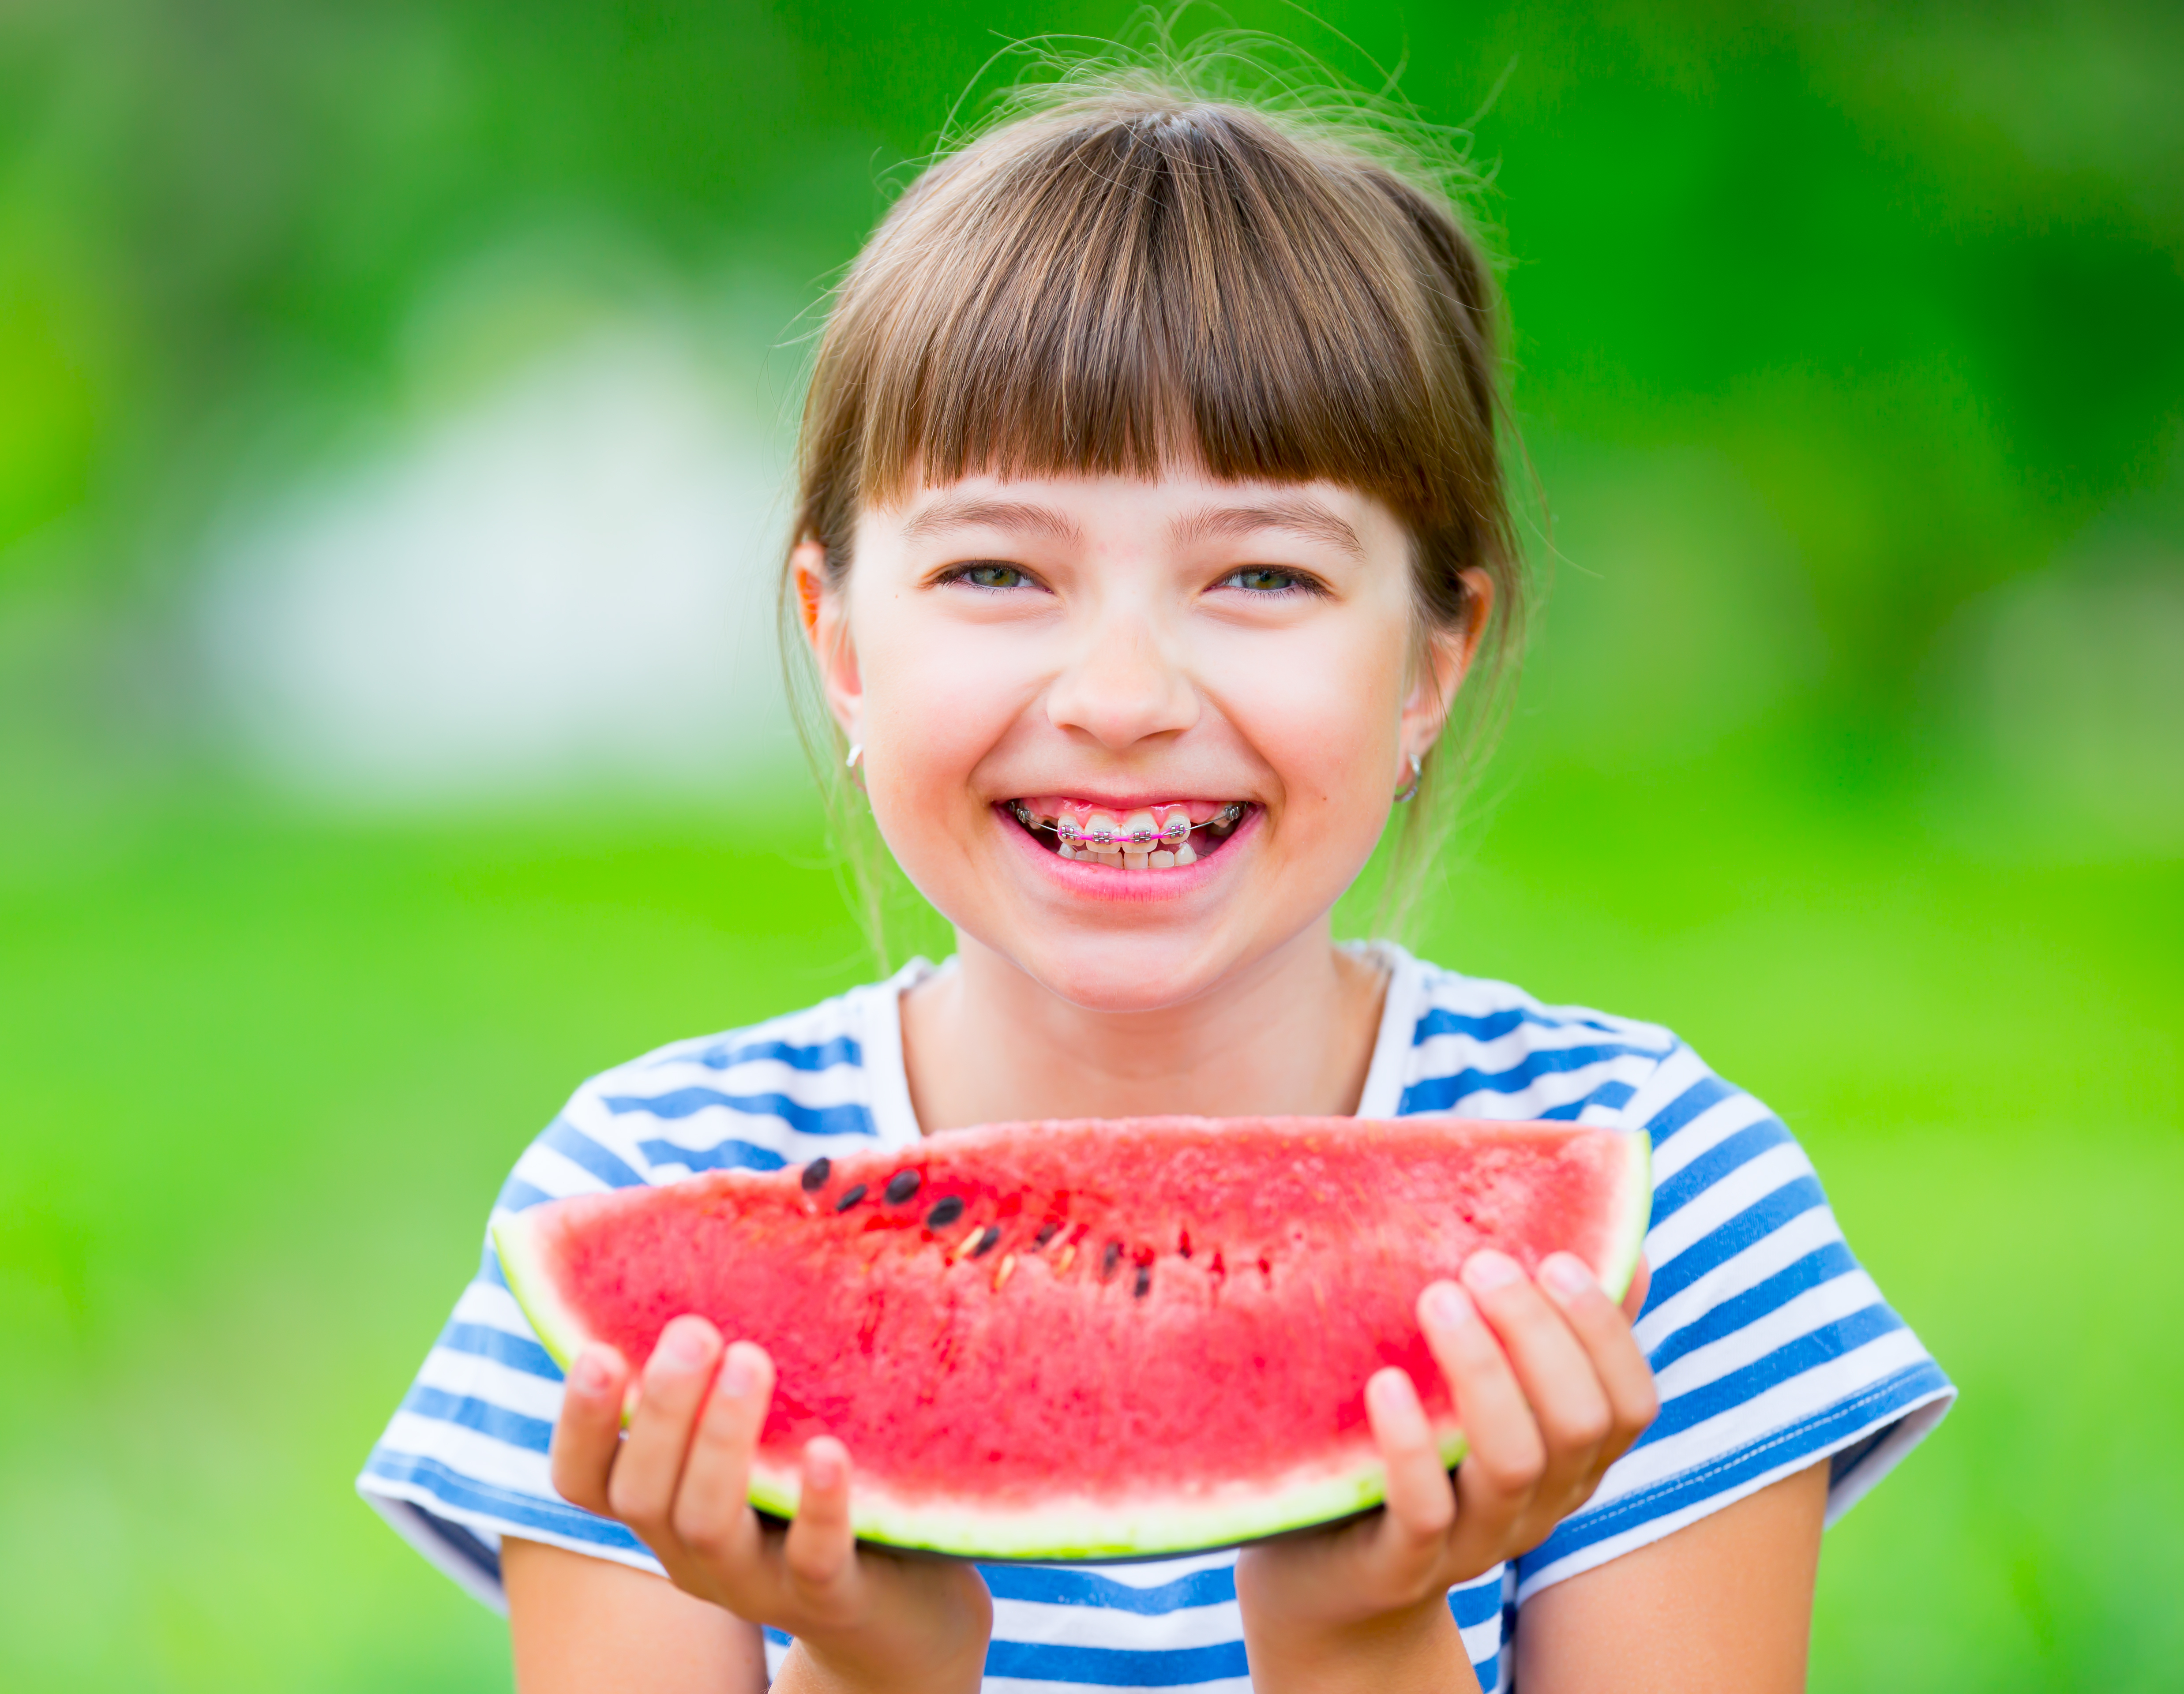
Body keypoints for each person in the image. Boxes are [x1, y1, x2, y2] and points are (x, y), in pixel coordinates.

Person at [357, 64, 1953, 1694]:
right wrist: (874, 1666)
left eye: (1262, 573)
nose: (1123, 698)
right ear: (841, 643)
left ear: (1430, 660)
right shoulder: (636, 1200)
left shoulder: (1665, 1204)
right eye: (997, 571)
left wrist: (1360, 1639)